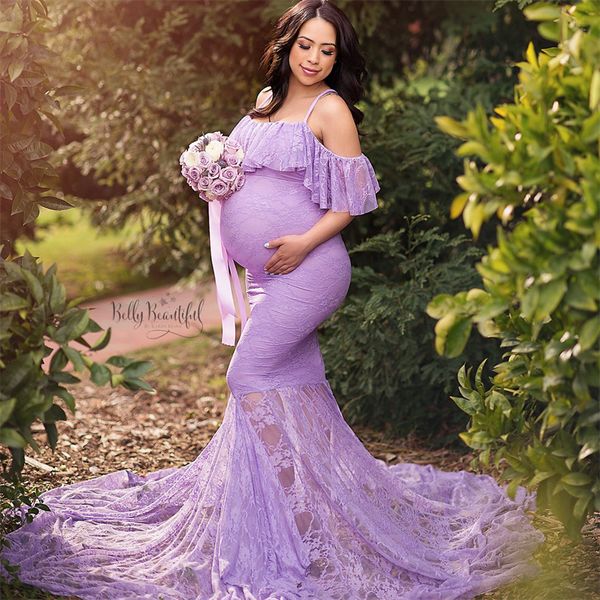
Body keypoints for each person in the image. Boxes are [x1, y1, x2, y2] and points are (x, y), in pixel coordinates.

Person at [0, 1, 545, 599]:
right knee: (296, 387)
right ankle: (283, 514)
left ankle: (309, 521)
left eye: (327, 50)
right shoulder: (263, 104)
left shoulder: (330, 109)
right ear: (286, 47)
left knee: (249, 372)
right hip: (265, 277)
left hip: (311, 269)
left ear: (338, 58)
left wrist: (302, 241)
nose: (314, 59)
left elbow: (352, 204)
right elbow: (239, 181)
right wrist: (212, 179)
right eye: (305, 45)